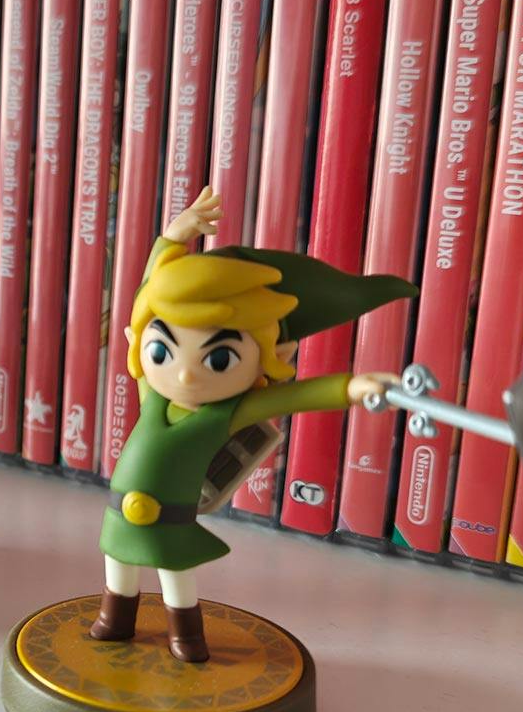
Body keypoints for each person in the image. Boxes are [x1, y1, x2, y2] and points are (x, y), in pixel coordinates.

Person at [95, 187, 410, 662]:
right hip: (120, 513)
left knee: (175, 577)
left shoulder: (228, 413)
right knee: (118, 567)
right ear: (139, 344)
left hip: (173, 518)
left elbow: (296, 396)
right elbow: (149, 295)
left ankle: (186, 635)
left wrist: (351, 386)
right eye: (162, 350)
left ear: (271, 357)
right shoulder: (150, 392)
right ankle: (115, 619)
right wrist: (171, 239)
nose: (184, 375)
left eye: (218, 358)